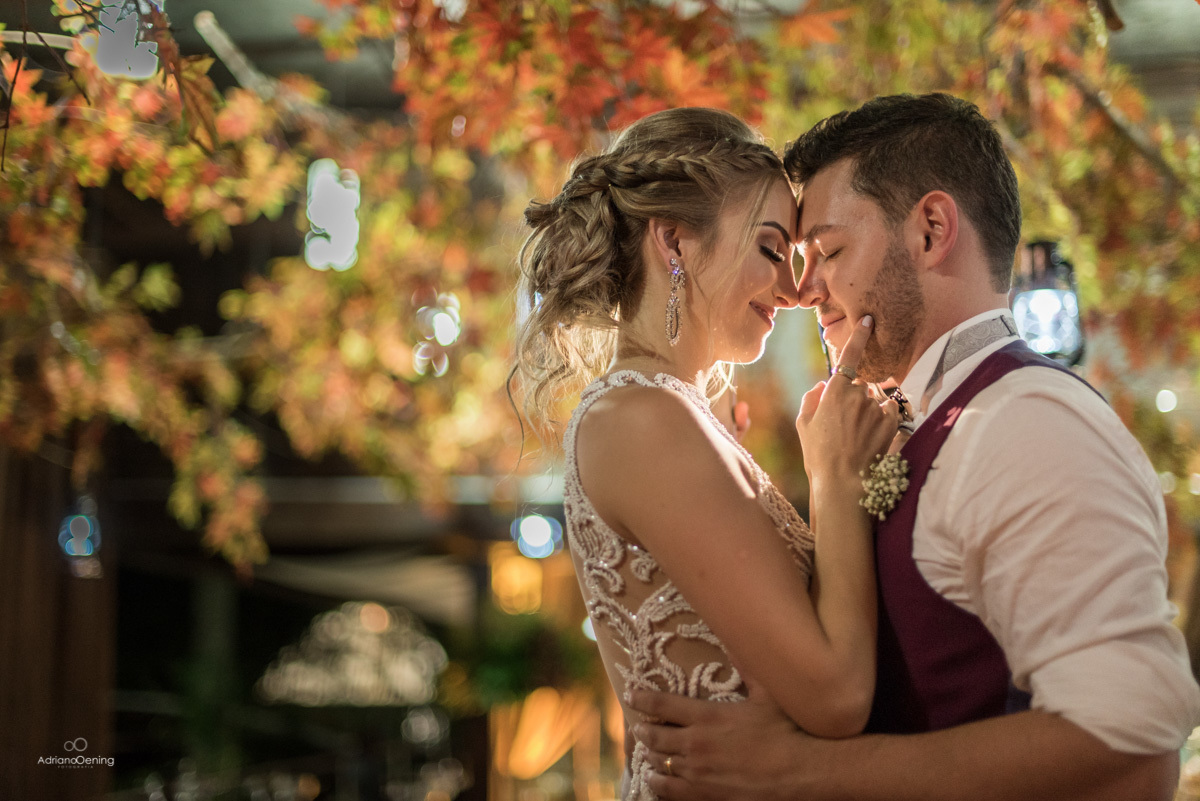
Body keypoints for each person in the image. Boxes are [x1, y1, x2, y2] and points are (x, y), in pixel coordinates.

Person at [628, 92, 1200, 800]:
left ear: (931, 229)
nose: (803, 290)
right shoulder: (916, 423)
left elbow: (1132, 743)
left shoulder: (1028, 420)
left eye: (828, 250)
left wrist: (794, 771)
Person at [510, 107, 899, 800]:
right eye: (773, 250)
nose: (794, 289)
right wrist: (835, 476)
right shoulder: (640, 421)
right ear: (676, 243)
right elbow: (836, 694)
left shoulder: (667, 412)